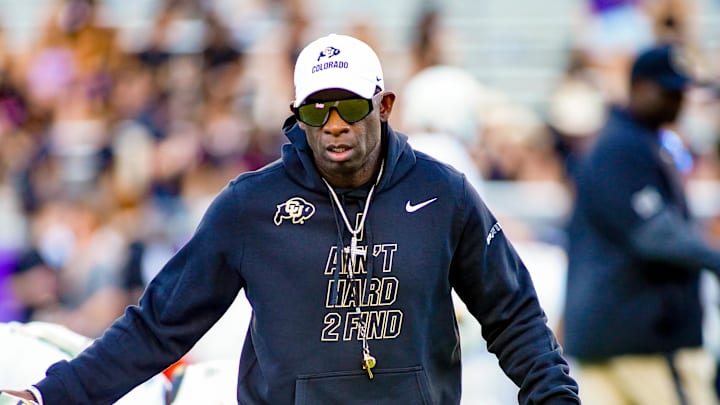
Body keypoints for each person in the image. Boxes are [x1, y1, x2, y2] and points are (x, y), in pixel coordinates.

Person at [2, 33, 579, 404]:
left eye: (350, 107)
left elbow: (513, 315)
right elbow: (158, 326)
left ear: (384, 105)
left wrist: (554, 397)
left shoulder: (443, 193)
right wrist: (51, 398)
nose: (334, 124)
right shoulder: (249, 207)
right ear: (296, 115)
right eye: (316, 109)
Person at [563, 43, 720, 405]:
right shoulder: (622, 147)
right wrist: (714, 257)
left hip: (615, 334)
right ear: (641, 88)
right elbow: (655, 234)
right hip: (640, 338)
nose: (678, 100)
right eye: (668, 91)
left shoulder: (634, 142)